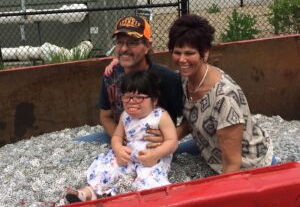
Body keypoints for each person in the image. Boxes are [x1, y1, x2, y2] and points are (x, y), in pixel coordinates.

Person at [167, 14, 276, 174]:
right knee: (168, 151)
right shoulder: (185, 78)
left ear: (205, 53)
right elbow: (193, 115)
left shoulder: (224, 98)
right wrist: (174, 135)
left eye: (189, 53)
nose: (182, 59)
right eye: (177, 52)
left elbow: (232, 163)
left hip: (245, 163)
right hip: (209, 144)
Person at [66, 70, 178, 203]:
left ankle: (135, 201)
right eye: (127, 97)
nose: (132, 102)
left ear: (154, 100)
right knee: (107, 168)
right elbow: (117, 136)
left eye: (139, 98)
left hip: (151, 160)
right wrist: (118, 150)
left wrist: (156, 154)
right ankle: (89, 192)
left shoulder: (160, 116)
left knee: (150, 180)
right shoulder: (125, 116)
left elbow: (173, 141)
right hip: (128, 157)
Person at [74, 15, 183, 146]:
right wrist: (119, 139)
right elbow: (105, 115)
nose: (124, 49)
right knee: (74, 146)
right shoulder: (110, 75)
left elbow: (191, 118)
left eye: (132, 42)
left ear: (148, 45)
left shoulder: (167, 78)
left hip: (155, 147)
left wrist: (172, 137)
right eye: (120, 42)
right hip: (120, 137)